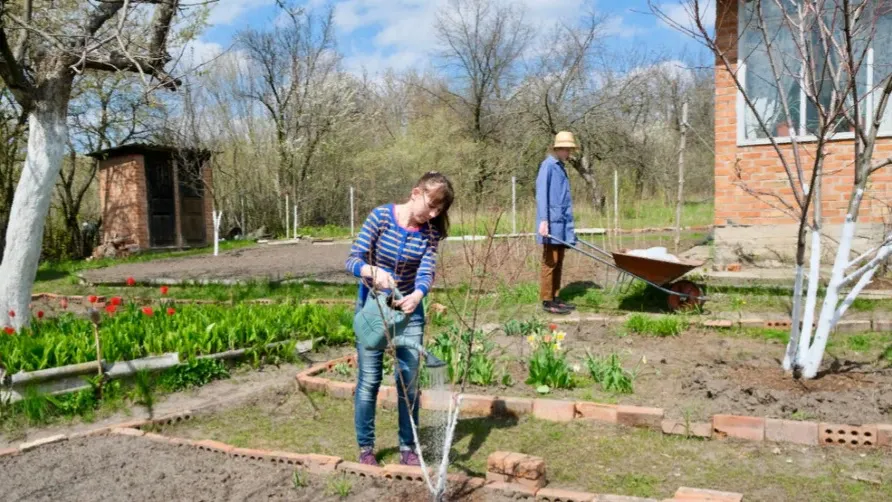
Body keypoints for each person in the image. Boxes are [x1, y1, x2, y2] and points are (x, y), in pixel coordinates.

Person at [344, 171, 454, 467]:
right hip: (374, 310)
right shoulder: (380, 217)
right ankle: (366, 448)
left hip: (408, 310)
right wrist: (372, 272)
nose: (432, 214)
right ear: (415, 193)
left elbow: (426, 271)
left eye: (438, 210)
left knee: (409, 382)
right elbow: (352, 260)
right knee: (369, 381)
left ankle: (409, 447)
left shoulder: (430, 233)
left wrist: (418, 294)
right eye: (431, 205)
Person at [536, 131, 578, 315]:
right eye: (566, 149)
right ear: (558, 149)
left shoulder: (560, 166)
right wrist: (543, 220)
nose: (569, 153)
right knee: (550, 261)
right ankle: (547, 300)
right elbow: (541, 194)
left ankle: (556, 297)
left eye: (570, 149)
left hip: (562, 223)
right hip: (551, 223)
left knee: (559, 261)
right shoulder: (548, 166)